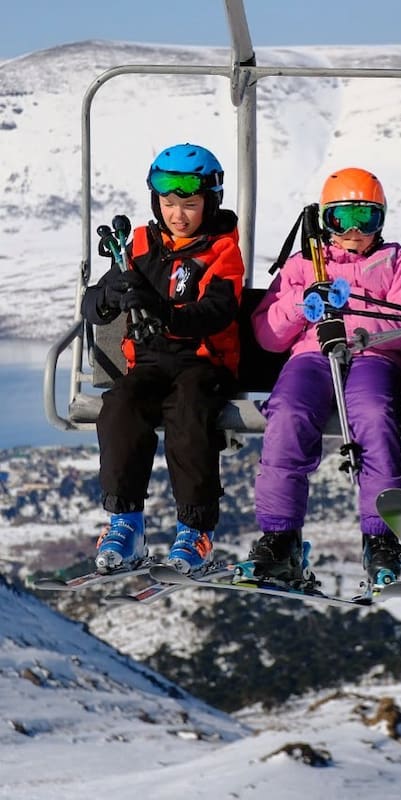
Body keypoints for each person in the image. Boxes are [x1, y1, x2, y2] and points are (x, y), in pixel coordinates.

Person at [250, 167, 401, 587]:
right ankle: (280, 536)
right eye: (340, 219)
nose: (352, 231)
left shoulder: (393, 261)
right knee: (289, 413)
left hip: (372, 357)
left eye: (365, 219)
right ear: (325, 221)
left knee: (374, 415)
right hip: (313, 354)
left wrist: (362, 327)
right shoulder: (305, 265)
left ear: (380, 221)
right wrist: (301, 303)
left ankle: (381, 537)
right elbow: (269, 335)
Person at [82, 143, 244, 575]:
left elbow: (218, 310)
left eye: (189, 205)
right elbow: (93, 304)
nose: (178, 215)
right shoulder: (136, 245)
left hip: (202, 363)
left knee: (188, 416)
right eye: (169, 203)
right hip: (150, 364)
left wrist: (163, 313)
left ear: (210, 202)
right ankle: (126, 522)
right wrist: (109, 297)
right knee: (119, 408)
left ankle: (196, 532)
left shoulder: (223, 252)